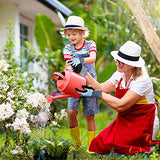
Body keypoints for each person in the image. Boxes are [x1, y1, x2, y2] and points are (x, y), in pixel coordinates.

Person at [73, 40, 160, 154]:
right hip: (124, 121)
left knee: (120, 148)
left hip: (144, 123)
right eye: (117, 60)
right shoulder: (120, 73)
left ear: (132, 65)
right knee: (98, 145)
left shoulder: (143, 80)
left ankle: (148, 147)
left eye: (122, 61)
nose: (117, 63)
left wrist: (96, 94)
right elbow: (101, 88)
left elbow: (121, 105)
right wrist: (83, 71)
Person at [60, 15, 98, 150]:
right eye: (69, 34)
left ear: (82, 32)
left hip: (90, 81)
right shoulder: (68, 48)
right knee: (71, 112)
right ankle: (76, 144)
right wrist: (64, 79)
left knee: (89, 114)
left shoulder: (90, 44)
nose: (71, 37)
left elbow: (92, 58)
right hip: (74, 83)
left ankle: (91, 146)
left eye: (74, 34)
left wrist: (80, 61)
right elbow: (68, 65)